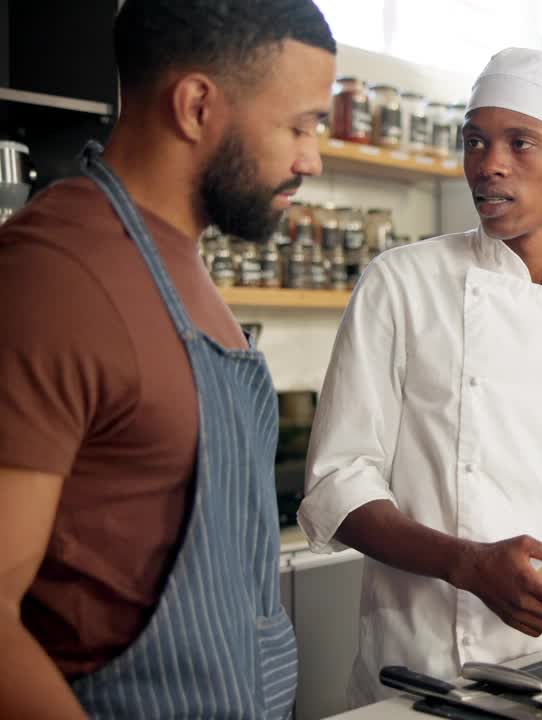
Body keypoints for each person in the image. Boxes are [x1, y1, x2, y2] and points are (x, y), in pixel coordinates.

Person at [298, 47, 542, 707]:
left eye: (520, 142)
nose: (489, 163)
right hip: (421, 666)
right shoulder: (403, 283)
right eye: (476, 140)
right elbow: (338, 483)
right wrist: (468, 565)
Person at [0, 1, 335, 716]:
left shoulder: (182, 266)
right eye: (298, 125)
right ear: (195, 105)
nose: (312, 157)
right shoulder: (56, 276)